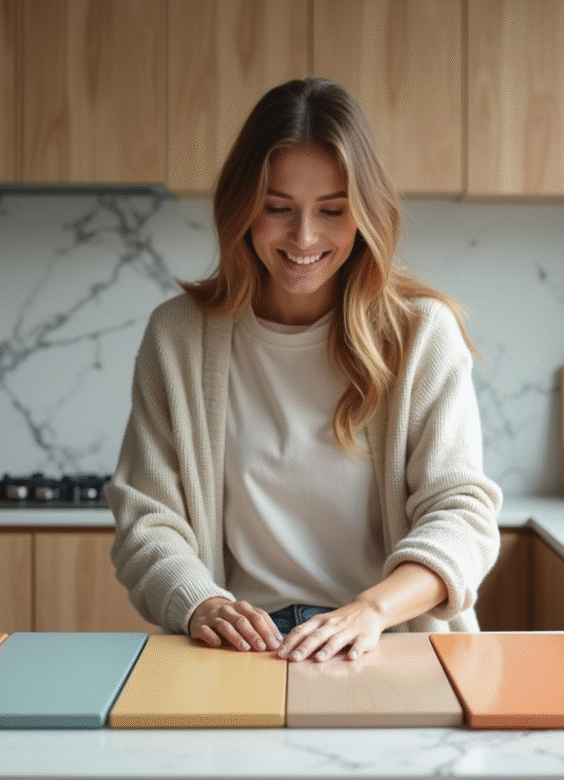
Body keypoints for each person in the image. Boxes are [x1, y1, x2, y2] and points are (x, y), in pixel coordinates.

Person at [107, 77, 502, 663]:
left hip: (387, 643)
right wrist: (200, 603)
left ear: (365, 213)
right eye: (278, 208)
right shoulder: (178, 337)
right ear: (243, 208)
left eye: (332, 210)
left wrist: (371, 611)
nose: (304, 237)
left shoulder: (421, 334)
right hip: (238, 651)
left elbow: (462, 516)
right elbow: (149, 519)